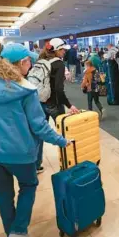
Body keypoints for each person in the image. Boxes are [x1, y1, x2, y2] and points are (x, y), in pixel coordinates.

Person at [0, 43, 72, 237]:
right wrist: (62, 141)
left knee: (4, 196)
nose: (31, 64)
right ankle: (19, 230)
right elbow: (39, 126)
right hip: (19, 154)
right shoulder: (25, 90)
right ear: (21, 63)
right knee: (28, 186)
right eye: (29, 61)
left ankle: (12, 231)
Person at [35, 38, 79, 173]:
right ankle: (67, 161)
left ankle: (36, 164)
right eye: (62, 50)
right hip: (54, 104)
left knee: (40, 133)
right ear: (56, 50)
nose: (64, 52)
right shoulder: (59, 64)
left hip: (40, 102)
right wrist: (69, 105)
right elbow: (59, 89)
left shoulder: (41, 61)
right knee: (63, 132)